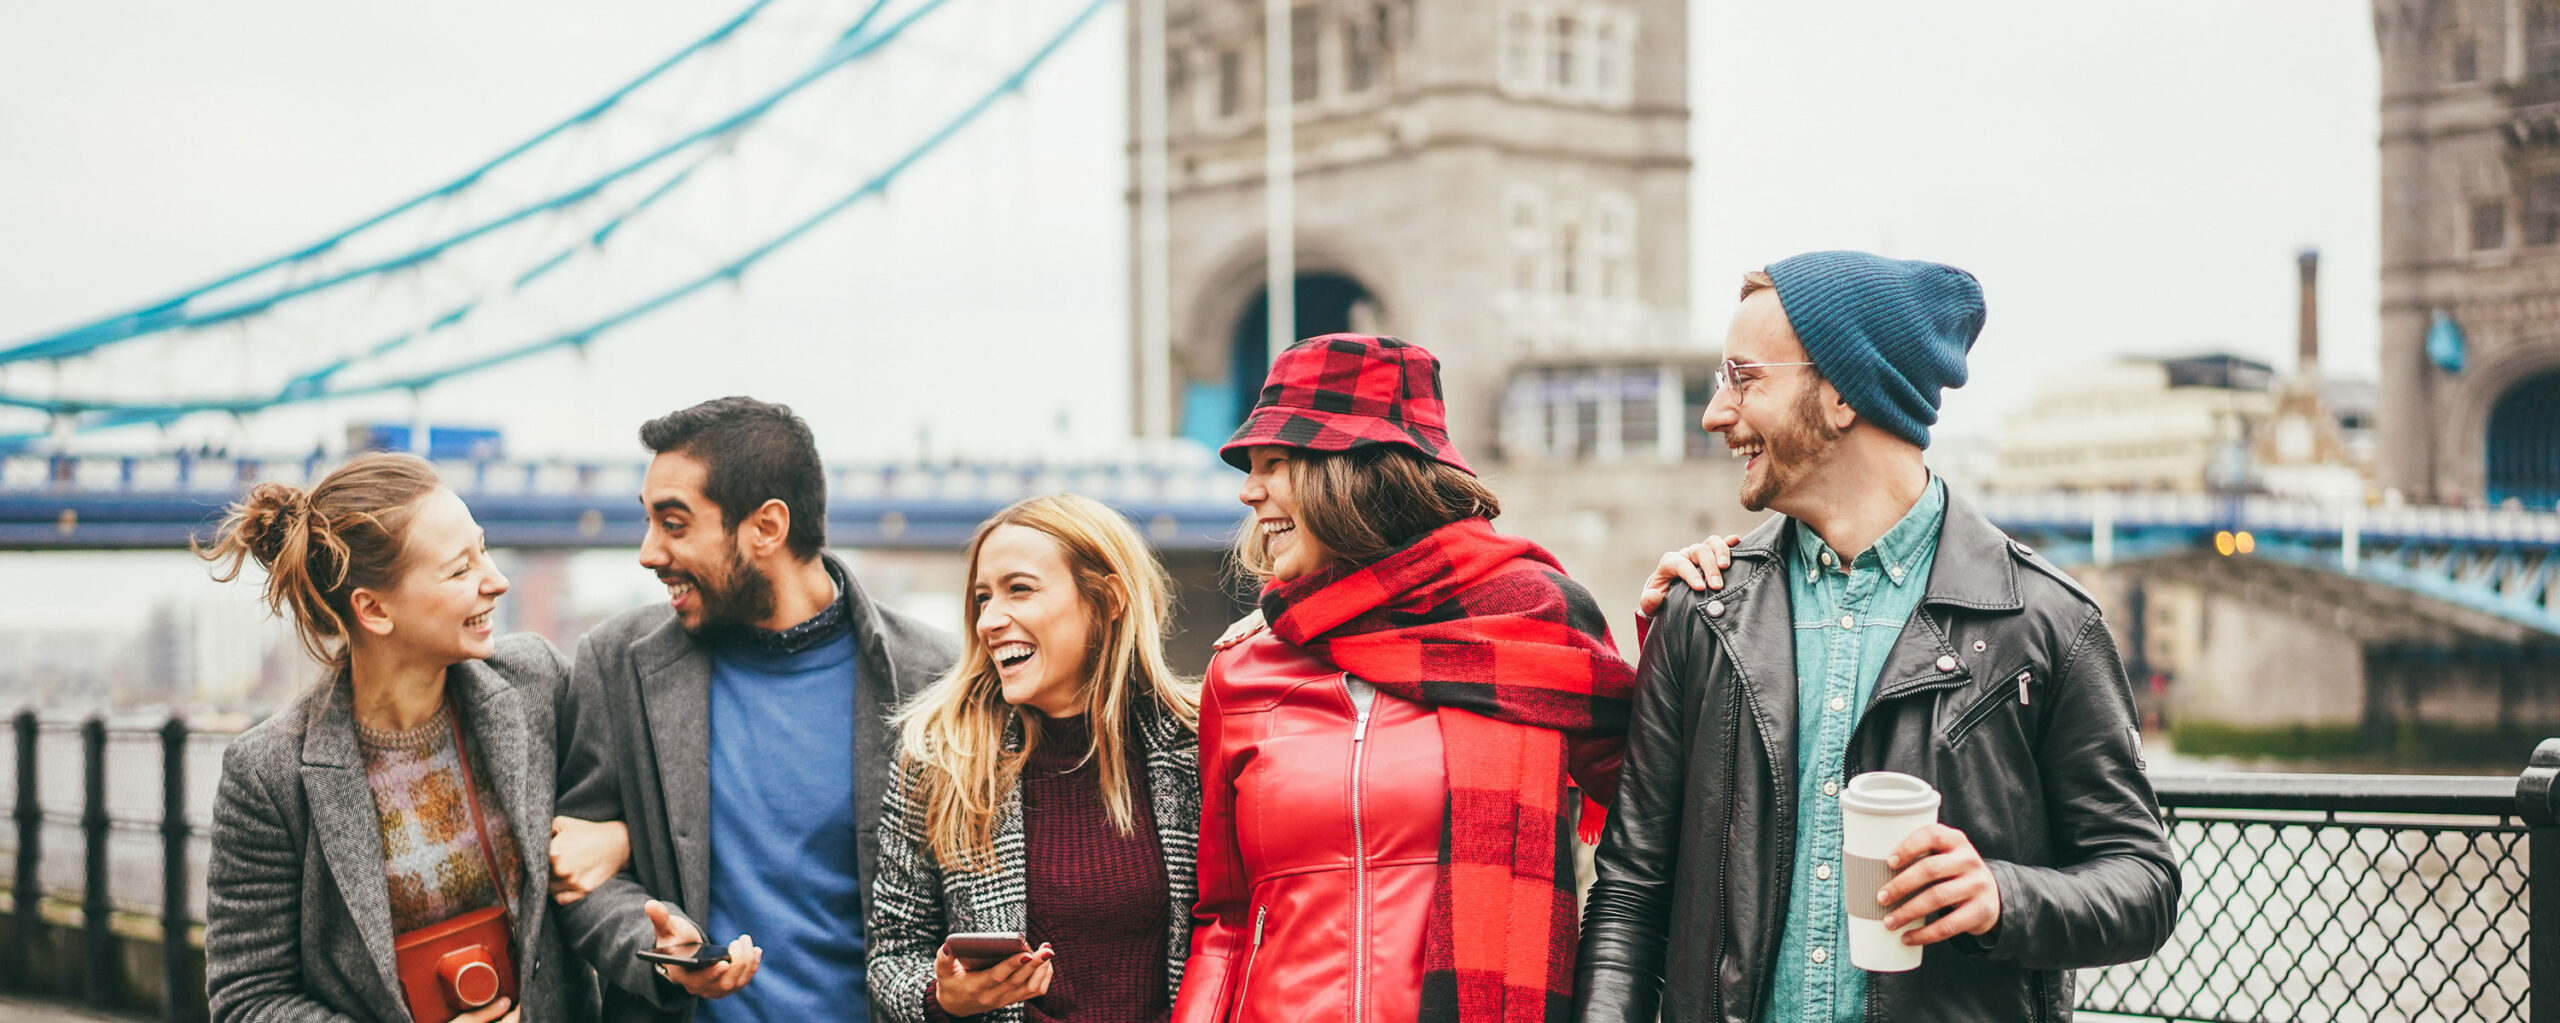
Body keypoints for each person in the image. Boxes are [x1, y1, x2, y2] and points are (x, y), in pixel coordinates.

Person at [1574, 253, 2179, 1023]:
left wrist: (2001, 893)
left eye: (1744, 377)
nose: (1715, 412)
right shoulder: (1701, 610)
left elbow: (2143, 882)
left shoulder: (2048, 622)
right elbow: (1631, 890)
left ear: (1839, 395)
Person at [1175, 334, 1634, 1023]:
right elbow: (1226, 921)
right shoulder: (1242, 671)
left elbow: (1667, 825)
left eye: (1275, 463)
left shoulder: (1533, 623)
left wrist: (1689, 619)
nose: (1248, 490)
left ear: (1355, 472)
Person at [552, 397, 959, 1022]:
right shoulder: (616, 663)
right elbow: (581, 879)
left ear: (766, 527)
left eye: (674, 523)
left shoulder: (934, 677)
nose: (648, 552)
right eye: (649, 521)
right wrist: (658, 952)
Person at [202, 452, 624, 1022]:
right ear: (373, 609)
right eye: (459, 570)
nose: (496, 581)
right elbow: (247, 1000)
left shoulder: (536, 682)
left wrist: (619, 836)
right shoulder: (269, 773)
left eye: (484, 549)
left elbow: (634, 813)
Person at [868, 494, 1202, 1023]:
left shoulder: (1198, 742)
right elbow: (892, 955)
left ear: (1107, 598)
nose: (989, 621)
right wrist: (944, 998)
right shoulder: (940, 757)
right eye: (983, 598)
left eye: (1019, 590)